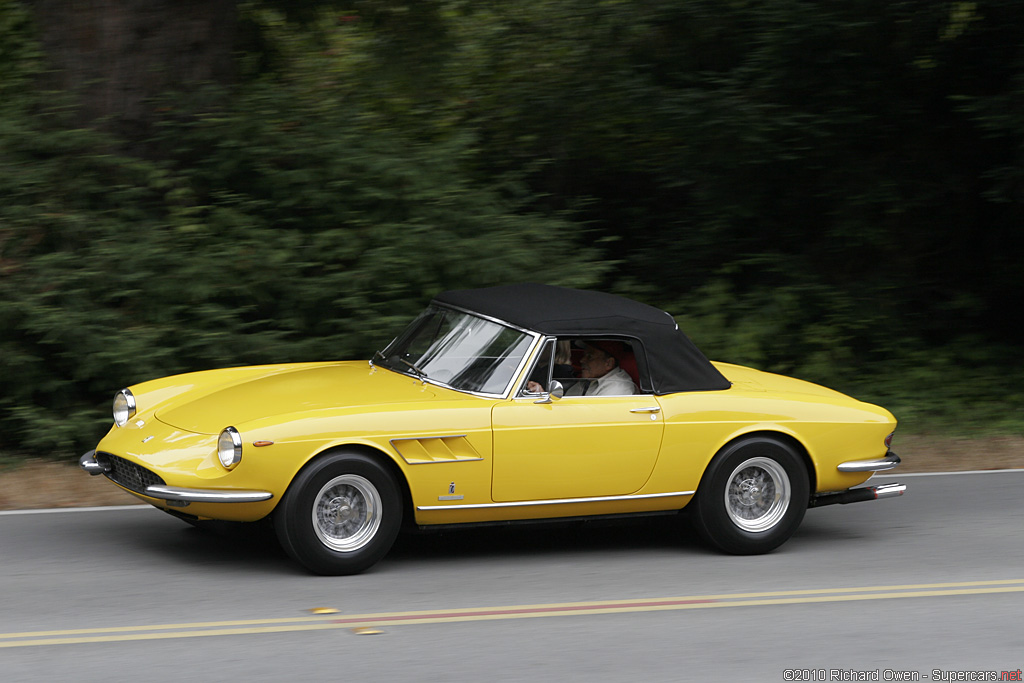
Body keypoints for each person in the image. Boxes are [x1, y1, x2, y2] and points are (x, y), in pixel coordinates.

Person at [565, 341, 636, 396]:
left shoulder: (618, 388)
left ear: (609, 363)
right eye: (584, 355)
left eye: (589, 356)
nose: (582, 360)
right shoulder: (589, 381)